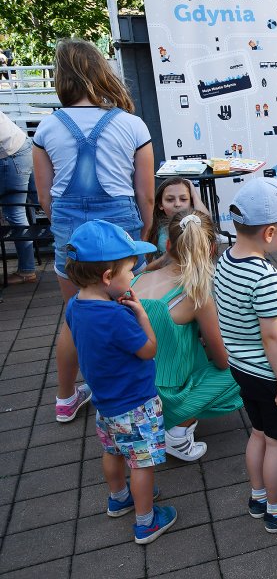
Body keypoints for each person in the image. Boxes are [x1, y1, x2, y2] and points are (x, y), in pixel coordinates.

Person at [33, 38, 155, 424]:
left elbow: (44, 198)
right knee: (128, 309)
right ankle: (135, 391)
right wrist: (144, 230)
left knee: (75, 314)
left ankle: (66, 398)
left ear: (62, 77)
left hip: (69, 224)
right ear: (101, 72)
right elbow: (146, 194)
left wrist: (66, 227)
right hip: (121, 223)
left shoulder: (48, 127)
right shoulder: (132, 124)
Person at [63, 220, 176, 544]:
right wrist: (141, 315)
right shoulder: (118, 317)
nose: (133, 277)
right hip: (136, 404)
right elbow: (149, 350)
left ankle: (118, 497)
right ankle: (146, 521)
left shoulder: (75, 306)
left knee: (112, 452)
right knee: (141, 463)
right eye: (130, 271)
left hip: (105, 404)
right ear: (108, 277)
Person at [213, 177, 277, 533]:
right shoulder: (265, 277)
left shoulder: (226, 261)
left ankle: (260, 496)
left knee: (258, 433)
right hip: (272, 376)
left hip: (243, 370)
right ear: (270, 233)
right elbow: (272, 337)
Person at [131, 210, 243, 461]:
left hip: (133, 388)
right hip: (166, 397)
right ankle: (177, 432)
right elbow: (223, 360)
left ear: (168, 245)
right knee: (246, 367)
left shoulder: (135, 281)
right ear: (212, 247)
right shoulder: (196, 294)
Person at [0, 110, 36, 283]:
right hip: (21, 147)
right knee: (41, 203)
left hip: (10, 155)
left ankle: (27, 271)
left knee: (14, 213)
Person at [143, 177, 210, 270]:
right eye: (170, 199)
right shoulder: (155, 227)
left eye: (183, 199)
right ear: (160, 205)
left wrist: (194, 193)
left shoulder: (194, 225)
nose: (177, 204)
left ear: (191, 203)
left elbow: (206, 220)